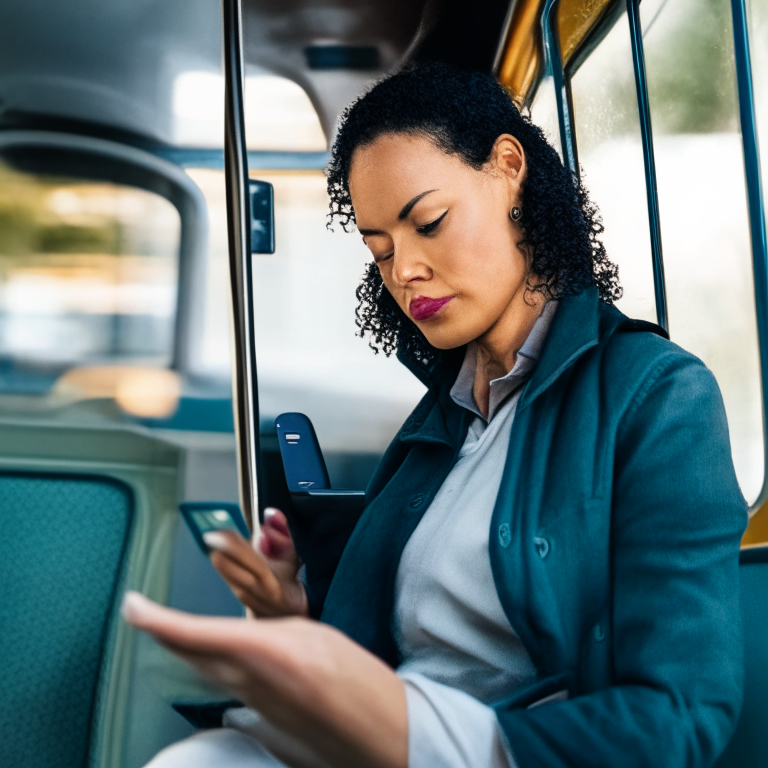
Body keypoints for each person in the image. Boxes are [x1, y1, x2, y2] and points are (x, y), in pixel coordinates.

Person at [123, 62, 747, 768]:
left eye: (429, 222)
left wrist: (432, 734)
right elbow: (401, 646)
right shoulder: (440, 421)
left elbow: (683, 713)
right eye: (380, 250)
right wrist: (292, 615)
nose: (404, 271)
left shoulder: (657, 397)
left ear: (509, 169)